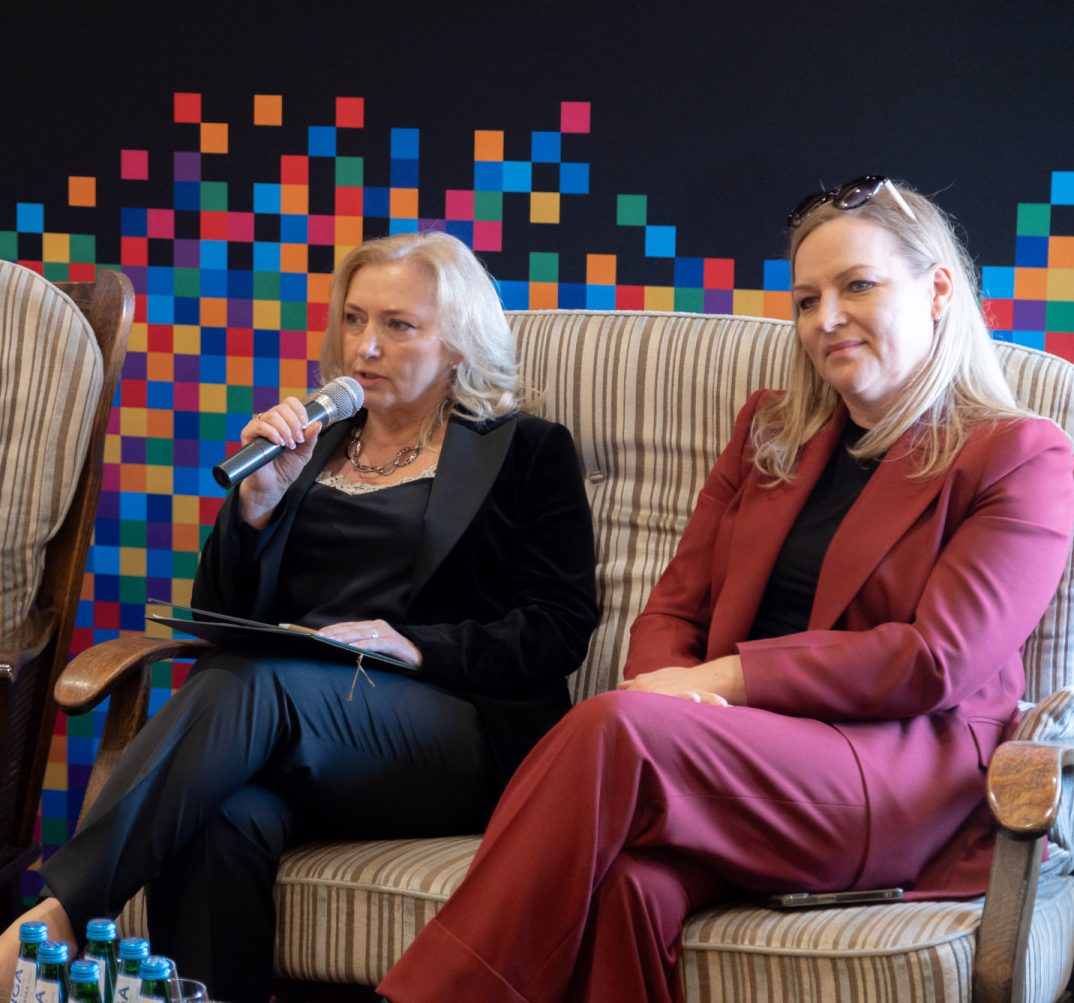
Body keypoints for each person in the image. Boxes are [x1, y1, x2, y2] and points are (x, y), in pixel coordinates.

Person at [375, 176, 1074, 1002]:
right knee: (628, 885)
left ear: (939, 291)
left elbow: (936, 660)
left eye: (857, 286)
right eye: (807, 300)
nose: (826, 319)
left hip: (898, 775)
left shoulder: (1020, 455)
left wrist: (719, 683)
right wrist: (679, 694)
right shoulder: (770, 433)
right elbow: (674, 606)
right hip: (738, 756)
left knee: (615, 727)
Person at [0, 231, 600, 1001]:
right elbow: (220, 618)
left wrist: (416, 645)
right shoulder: (311, 444)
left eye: (398, 325)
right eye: (354, 319)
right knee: (218, 816)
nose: (365, 346)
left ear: (459, 342)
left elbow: (560, 624)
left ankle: (57, 919)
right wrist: (256, 509)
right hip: (293, 726)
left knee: (252, 683)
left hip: (451, 731)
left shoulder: (525, 450)